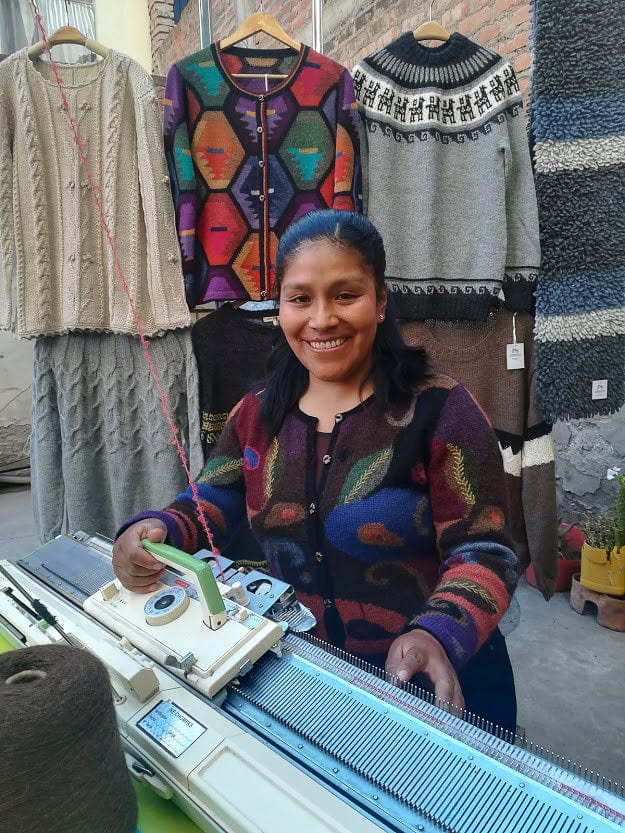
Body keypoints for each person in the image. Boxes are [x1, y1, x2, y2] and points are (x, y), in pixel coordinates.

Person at [113, 209, 519, 732]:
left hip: (439, 688)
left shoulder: (442, 411)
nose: (321, 319)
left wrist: (437, 634)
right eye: (301, 298)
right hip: (307, 682)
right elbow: (215, 499)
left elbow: (484, 551)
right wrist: (161, 529)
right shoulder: (258, 414)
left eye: (345, 295)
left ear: (381, 301)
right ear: (279, 306)